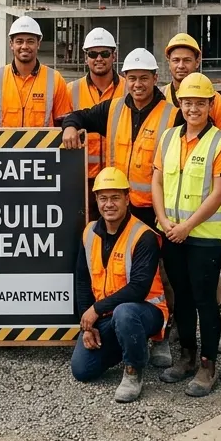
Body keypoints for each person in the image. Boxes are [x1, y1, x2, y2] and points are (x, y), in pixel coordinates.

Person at [63, 47, 175, 368]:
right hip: (117, 206)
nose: (137, 84)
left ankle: (161, 336)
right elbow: (77, 116)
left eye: (144, 78)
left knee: (159, 277)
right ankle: (113, 328)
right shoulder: (112, 109)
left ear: (156, 79)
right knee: (112, 270)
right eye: (131, 78)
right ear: (124, 79)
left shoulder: (171, 115)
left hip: (154, 210)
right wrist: (71, 127)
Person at [151, 72, 221, 397]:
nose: (193, 108)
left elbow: (219, 192)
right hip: (171, 234)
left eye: (200, 103)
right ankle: (185, 356)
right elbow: (157, 181)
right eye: (187, 102)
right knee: (181, 299)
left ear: (210, 105)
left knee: (204, 301)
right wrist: (163, 220)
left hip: (203, 238)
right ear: (180, 104)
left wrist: (187, 226)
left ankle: (207, 364)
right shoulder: (169, 138)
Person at [72, 168, 168, 402]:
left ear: (127, 198)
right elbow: (83, 280)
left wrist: (96, 310)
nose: (109, 204)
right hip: (108, 314)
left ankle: (133, 371)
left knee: (126, 313)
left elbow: (138, 288)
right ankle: (131, 345)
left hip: (145, 312)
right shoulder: (90, 233)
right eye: (103, 198)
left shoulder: (143, 236)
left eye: (115, 197)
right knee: (83, 370)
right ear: (96, 200)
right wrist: (88, 325)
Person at [0, 16, 71, 128]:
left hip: (43, 145)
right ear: (11, 44)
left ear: (38, 44)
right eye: (19, 41)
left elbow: (62, 122)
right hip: (5, 145)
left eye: (30, 41)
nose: (24, 46)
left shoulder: (55, 79)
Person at [67, 27, 124, 188]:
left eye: (105, 53)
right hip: (81, 176)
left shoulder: (128, 90)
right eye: (93, 54)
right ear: (86, 58)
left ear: (114, 56)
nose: (99, 58)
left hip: (118, 177)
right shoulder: (71, 90)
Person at [163, 34, 221, 134]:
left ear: (197, 62)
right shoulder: (161, 96)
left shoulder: (214, 100)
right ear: (169, 62)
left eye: (187, 60)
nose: (181, 66)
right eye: (176, 60)